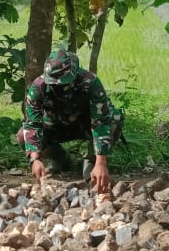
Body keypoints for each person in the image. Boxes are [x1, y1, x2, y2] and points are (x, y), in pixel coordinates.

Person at [16, 49, 124, 194]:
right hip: (55, 126)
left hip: (86, 125)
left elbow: (101, 121)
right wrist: (34, 159)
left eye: (63, 83)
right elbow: (32, 124)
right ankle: (61, 159)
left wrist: (101, 162)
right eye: (54, 84)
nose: (59, 87)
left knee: (114, 118)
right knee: (23, 134)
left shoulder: (90, 82)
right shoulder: (38, 87)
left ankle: (91, 161)